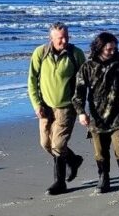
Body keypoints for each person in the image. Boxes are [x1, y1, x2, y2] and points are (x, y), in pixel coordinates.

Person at [73, 32, 119, 195]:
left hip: (118, 114)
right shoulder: (87, 66)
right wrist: (81, 113)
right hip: (97, 117)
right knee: (100, 152)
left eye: (115, 48)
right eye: (109, 49)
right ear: (99, 48)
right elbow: (79, 92)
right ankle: (103, 179)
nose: (113, 51)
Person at [27, 21, 86, 195]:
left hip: (66, 107)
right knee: (45, 144)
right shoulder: (40, 53)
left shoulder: (76, 54)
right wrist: (36, 104)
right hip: (45, 107)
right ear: (50, 38)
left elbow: (83, 83)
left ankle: (59, 183)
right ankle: (73, 160)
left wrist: (80, 108)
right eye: (60, 38)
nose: (64, 41)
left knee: (58, 145)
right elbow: (32, 80)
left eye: (66, 37)